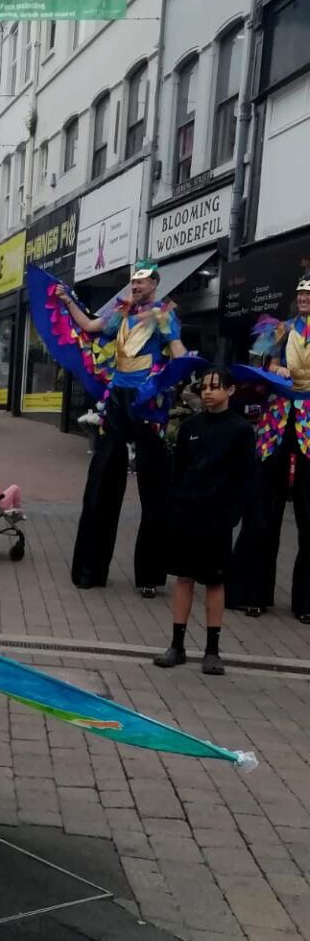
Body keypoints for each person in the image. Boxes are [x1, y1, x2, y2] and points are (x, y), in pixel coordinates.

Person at [60, 260, 188, 595]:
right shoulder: (121, 313)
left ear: (154, 284)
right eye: (133, 281)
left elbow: (178, 354)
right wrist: (68, 300)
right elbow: (89, 325)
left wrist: (180, 366)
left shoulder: (164, 315)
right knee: (101, 481)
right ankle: (89, 571)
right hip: (117, 401)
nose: (135, 286)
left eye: (141, 282)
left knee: (154, 488)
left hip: (148, 403)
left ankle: (149, 577)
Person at [153, 368, 255, 675]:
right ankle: (177, 646)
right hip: (187, 513)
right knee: (183, 578)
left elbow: (245, 477)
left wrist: (232, 514)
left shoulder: (241, 430)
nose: (208, 392)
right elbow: (178, 469)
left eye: (215, 387)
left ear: (231, 391)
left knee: (214, 581)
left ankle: (212, 650)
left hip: (217, 517)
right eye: (205, 387)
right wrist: (174, 507)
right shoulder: (190, 426)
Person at [229, 276, 310, 620]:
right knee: (263, 506)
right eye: (301, 293)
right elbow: (258, 361)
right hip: (278, 415)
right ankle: (253, 593)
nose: (304, 298)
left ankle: (307, 603)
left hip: (309, 418)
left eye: (309, 294)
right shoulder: (281, 329)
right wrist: (274, 366)